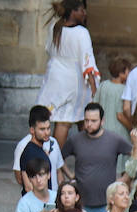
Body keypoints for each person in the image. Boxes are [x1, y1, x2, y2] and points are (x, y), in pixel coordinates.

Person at [37, 0, 98, 147]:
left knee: (68, 119)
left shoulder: (54, 27)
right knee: (71, 120)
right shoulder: (81, 32)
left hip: (55, 76)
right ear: (73, 11)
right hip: (73, 79)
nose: (85, 13)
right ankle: (58, 159)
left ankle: (56, 159)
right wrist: (93, 86)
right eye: (82, 10)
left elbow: (48, 49)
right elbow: (87, 61)